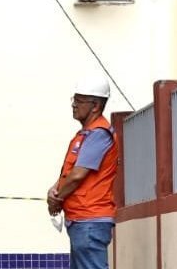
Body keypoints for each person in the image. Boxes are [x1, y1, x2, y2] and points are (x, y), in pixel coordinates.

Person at [46, 78, 119, 269]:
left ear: (95, 106)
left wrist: (57, 199)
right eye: (74, 99)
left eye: (79, 101)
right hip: (82, 219)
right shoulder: (85, 134)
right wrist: (55, 189)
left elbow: (78, 175)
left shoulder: (98, 134)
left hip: (90, 218)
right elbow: (68, 172)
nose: (74, 105)